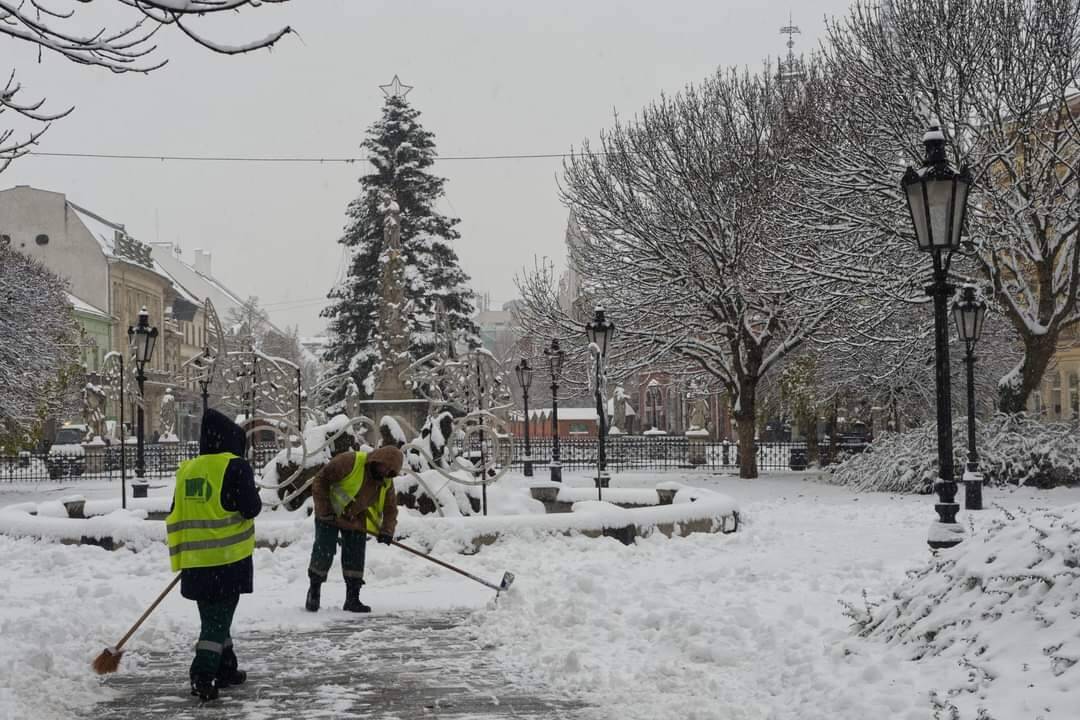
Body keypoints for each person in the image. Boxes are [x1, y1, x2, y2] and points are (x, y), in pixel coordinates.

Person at [165, 409, 262, 701]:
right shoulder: (235, 466)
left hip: (195, 562)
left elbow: (177, 509)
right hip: (226, 560)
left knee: (215, 618)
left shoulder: (188, 469)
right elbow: (251, 508)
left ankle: (226, 667)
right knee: (217, 621)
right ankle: (203, 674)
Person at [305, 446, 403, 613]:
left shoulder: (386, 483)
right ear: (377, 459)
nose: (386, 471)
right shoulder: (349, 461)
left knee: (355, 554)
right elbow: (320, 480)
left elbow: (390, 508)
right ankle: (314, 590)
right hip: (329, 512)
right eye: (385, 466)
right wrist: (325, 511)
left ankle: (352, 598)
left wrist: (387, 530)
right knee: (324, 549)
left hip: (355, 517)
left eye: (391, 470)